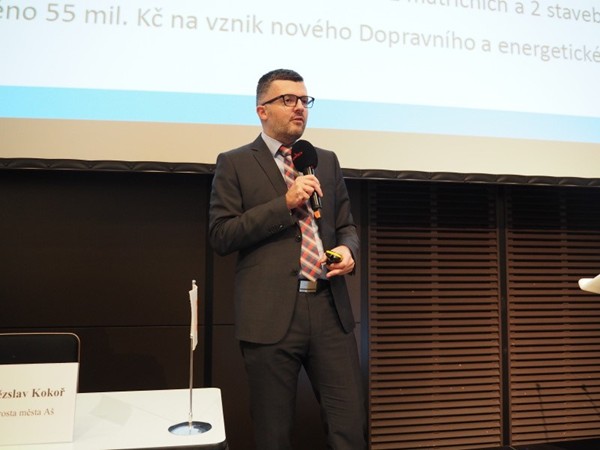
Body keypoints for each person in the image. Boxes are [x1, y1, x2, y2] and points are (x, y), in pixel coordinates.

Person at [208, 69, 367, 449]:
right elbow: (222, 235)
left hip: (330, 309)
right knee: (273, 432)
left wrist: (348, 250)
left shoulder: (323, 160)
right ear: (262, 110)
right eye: (288, 100)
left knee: (349, 428)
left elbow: (346, 225)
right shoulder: (234, 163)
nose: (299, 107)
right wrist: (284, 203)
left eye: (304, 100)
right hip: (270, 315)